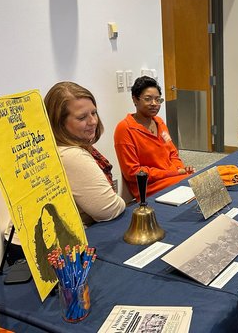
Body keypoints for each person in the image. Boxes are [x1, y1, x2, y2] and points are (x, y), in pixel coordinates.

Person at [44, 81, 126, 226]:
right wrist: (120, 201)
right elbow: (108, 209)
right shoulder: (70, 155)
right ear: (59, 123)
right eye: (82, 118)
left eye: (94, 113)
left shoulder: (62, 147)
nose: (93, 121)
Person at [114, 76, 195, 201]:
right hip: (150, 186)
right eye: (148, 99)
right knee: (194, 186)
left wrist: (180, 168)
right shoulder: (125, 129)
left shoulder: (159, 122)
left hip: (171, 177)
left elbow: (172, 153)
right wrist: (174, 173)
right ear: (135, 99)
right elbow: (133, 173)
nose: (154, 104)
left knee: (204, 180)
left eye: (158, 100)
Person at [33, 203, 82, 282]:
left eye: (48, 223)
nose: (45, 230)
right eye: (43, 225)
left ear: (55, 224)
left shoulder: (70, 245)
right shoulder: (43, 257)